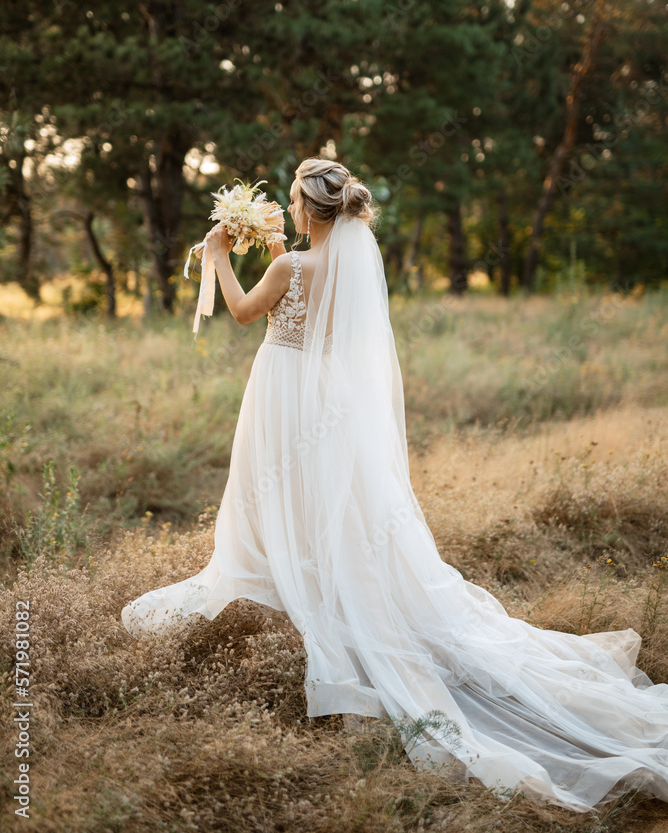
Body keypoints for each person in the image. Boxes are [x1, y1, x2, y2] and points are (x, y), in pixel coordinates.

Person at [122, 156, 668, 814]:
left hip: (283, 401)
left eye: (293, 200)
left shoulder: (291, 266)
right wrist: (270, 254)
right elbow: (306, 299)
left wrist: (216, 255)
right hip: (324, 404)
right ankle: (319, 596)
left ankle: (300, 604)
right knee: (326, 507)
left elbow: (242, 312)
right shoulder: (336, 267)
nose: (289, 209)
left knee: (280, 502)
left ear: (307, 209)